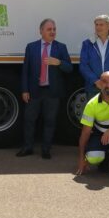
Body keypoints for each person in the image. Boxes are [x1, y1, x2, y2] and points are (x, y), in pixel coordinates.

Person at [18, 18, 73, 159]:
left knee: (50, 121)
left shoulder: (61, 47)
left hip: (52, 92)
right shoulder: (31, 47)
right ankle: (28, 147)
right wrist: (25, 90)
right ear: (41, 31)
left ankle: (46, 149)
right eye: (49, 29)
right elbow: (26, 70)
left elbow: (69, 68)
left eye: (54, 29)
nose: (52, 32)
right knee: (29, 120)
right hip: (34, 90)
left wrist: (59, 62)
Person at [79, 14, 109, 99]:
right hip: (93, 87)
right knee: (94, 112)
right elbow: (84, 65)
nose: (98, 27)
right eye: (96, 25)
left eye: (101, 25)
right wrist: (96, 81)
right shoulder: (87, 43)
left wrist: (108, 81)